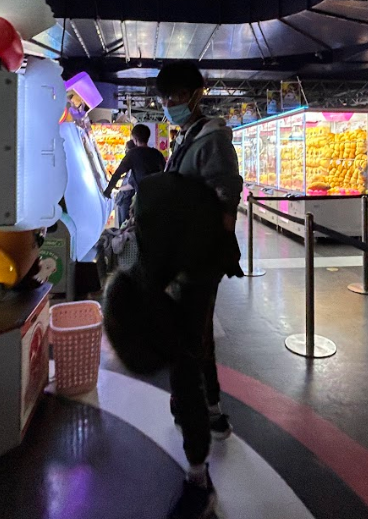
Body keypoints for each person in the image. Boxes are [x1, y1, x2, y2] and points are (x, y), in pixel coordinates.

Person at [155, 60, 243, 519]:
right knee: (198, 340)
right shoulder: (188, 137)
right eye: (165, 96)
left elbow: (227, 197)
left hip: (195, 264)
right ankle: (213, 410)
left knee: (183, 355)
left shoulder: (210, 139)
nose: (169, 103)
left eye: (176, 95)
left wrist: (204, 254)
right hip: (183, 261)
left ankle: (198, 476)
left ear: (197, 93)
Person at [104, 126, 166, 226]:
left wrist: (108, 190)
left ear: (135, 139)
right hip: (158, 198)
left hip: (142, 198)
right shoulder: (157, 153)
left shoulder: (132, 154)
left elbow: (118, 173)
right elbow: (165, 173)